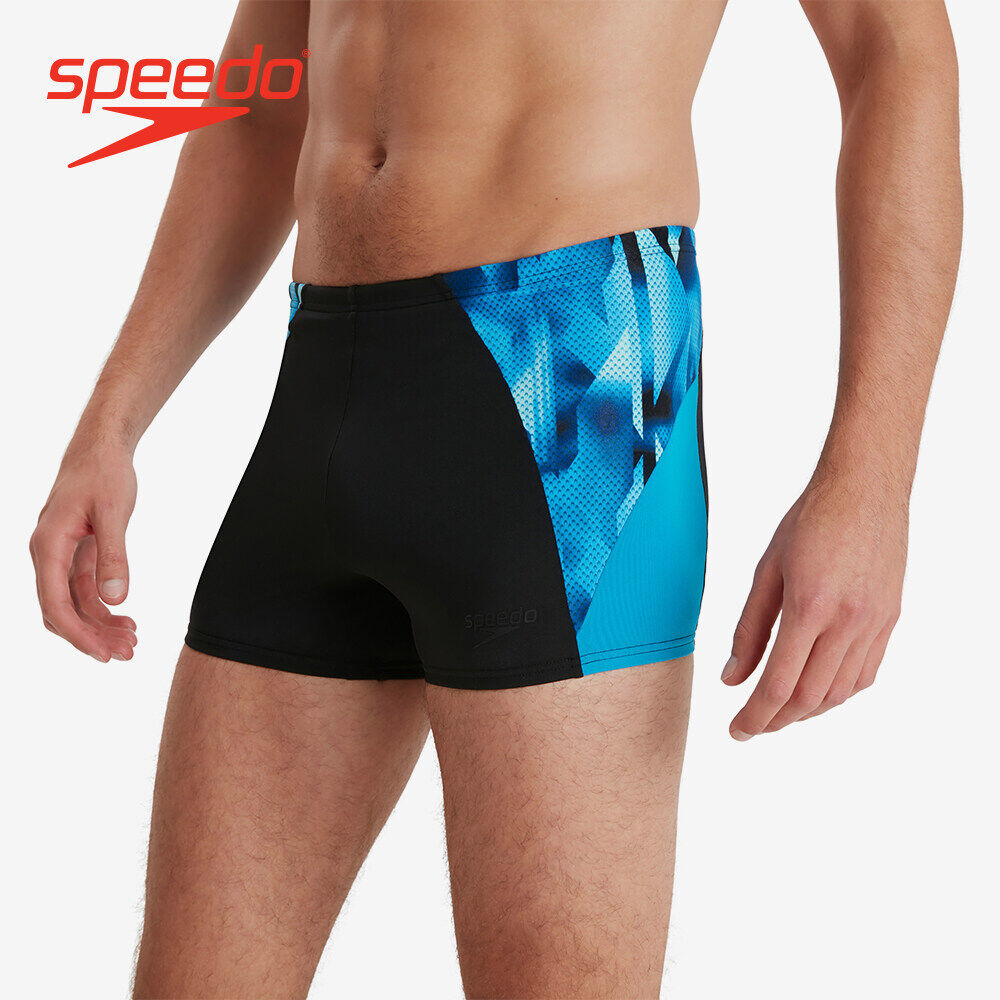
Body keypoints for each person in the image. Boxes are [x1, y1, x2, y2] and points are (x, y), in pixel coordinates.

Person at [30, 2, 961, 997]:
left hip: (570, 378)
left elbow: (894, 49)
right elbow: (263, 107)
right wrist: (112, 420)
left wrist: (871, 480)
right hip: (323, 384)